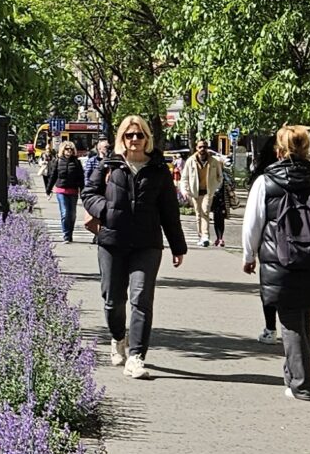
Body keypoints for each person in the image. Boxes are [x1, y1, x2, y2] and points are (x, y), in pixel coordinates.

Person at [241, 123, 310, 401]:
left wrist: (249, 255)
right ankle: (294, 375)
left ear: (278, 151)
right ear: (307, 150)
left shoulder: (265, 182)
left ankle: (302, 385)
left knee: (290, 321)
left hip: (279, 259)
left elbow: (253, 223)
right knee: (305, 317)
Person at [84, 115, 188, 377]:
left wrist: (178, 246)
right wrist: (106, 211)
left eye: (139, 135)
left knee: (141, 298)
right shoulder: (109, 165)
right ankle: (118, 337)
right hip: (112, 242)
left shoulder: (158, 169)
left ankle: (136, 357)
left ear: (147, 138)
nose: (134, 139)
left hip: (146, 243)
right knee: (113, 299)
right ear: (121, 138)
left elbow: (169, 210)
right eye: (129, 135)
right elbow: (89, 193)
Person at [180, 140, 228, 247]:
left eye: (205, 147)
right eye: (200, 147)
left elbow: (220, 177)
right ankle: (201, 236)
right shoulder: (190, 161)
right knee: (198, 214)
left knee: (205, 211)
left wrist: (215, 187)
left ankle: (205, 236)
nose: (202, 149)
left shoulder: (213, 161)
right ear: (196, 148)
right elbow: (184, 177)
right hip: (195, 192)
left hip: (208, 192)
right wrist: (184, 190)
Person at [45, 138, 85, 241]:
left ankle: (70, 233)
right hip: (61, 191)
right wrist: (48, 190)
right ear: (63, 150)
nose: (69, 151)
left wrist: (83, 192)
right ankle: (66, 235)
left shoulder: (77, 162)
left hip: (73, 191)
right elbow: (53, 176)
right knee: (65, 213)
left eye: (71, 149)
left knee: (72, 215)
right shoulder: (58, 161)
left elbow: (81, 178)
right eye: (67, 149)